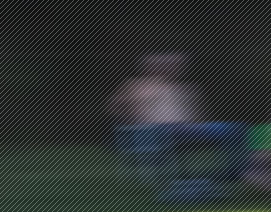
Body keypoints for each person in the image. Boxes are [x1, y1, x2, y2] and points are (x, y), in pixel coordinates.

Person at [105, 53, 244, 180]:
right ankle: (236, 172)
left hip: (186, 130)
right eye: (167, 66)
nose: (173, 69)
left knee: (241, 130)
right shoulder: (138, 85)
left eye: (175, 66)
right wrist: (132, 119)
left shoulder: (185, 88)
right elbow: (113, 107)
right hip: (160, 130)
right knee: (233, 129)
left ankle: (240, 168)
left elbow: (198, 116)